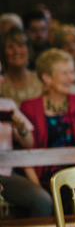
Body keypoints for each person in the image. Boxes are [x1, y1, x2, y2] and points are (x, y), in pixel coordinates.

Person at [20, 48, 75, 213]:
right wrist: (37, 188)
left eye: (72, 72)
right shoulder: (29, 107)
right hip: (45, 180)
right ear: (47, 78)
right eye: (65, 73)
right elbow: (26, 154)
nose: (72, 78)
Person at [0, 60, 53, 217]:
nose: (0, 79)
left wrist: (20, 127)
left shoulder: (7, 105)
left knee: (43, 201)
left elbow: (29, 143)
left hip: (6, 174)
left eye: (1, 73)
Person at [0, 27, 44, 107]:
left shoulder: (41, 80)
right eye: (11, 47)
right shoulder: (1, 83)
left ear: (29, 49)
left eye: (20, 45)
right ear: (3, 52)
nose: (16, 50)